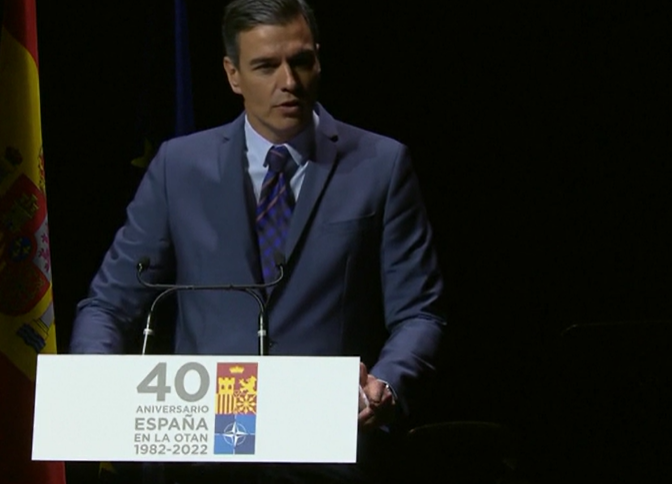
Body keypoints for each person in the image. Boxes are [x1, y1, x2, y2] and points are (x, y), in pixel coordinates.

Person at [70, 0, 446, 482]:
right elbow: (109, 304)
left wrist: (386, 385)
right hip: (197, 460)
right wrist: (96, 383)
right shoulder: (178, 167)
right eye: (266, 66)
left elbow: (420, 312)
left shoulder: (381, 165)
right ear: (233, 74)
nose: (288, 82)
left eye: (302, 61)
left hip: (324, 454)